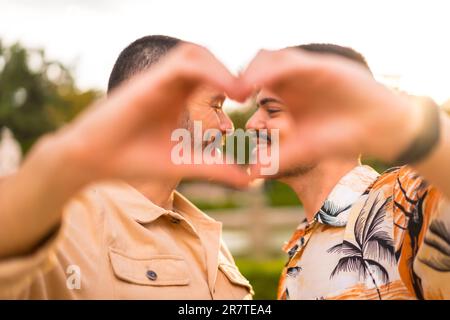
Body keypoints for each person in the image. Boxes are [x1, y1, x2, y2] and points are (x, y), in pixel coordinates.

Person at [0, 35, 253, 299]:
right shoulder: (69, 226)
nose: (229, 126)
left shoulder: (209, 237)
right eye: (216, 106)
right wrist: (61, 161)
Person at [244, 43, 450, 299]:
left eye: (272, 110)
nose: (251, 124)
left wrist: (402, 121)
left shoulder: (400, 204)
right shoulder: (300, 247)